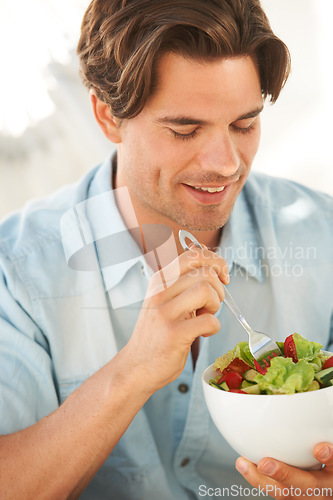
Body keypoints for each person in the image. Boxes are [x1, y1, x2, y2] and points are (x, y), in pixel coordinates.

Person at [0, 0, 332, 498]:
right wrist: (132, 371)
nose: (224, 164)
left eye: (244, 125)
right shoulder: (20, 270)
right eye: (185, 130)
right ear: (107, 116)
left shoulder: (322, 236)